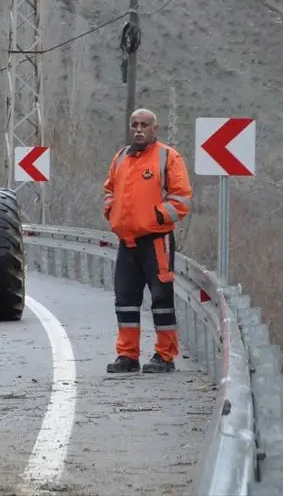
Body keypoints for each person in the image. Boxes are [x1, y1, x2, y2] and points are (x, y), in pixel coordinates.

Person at [103, 108, 193, 374]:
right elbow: (109, 189)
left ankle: (165, 356)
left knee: (161, 300)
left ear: (155, 129)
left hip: (156, 242)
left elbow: (182, 198)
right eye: (135, 124)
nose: (139, 129)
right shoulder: (121, 157)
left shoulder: (168, 157)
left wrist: (155, 217)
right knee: (125, 301)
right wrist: (112, 211)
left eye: (144, 124)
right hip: (126, 243)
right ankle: (127, 356)